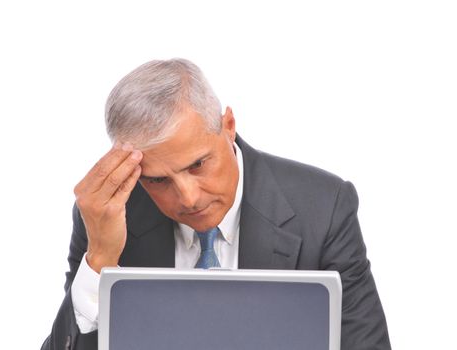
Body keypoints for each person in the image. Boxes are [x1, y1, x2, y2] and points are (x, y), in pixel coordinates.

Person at [41, 58, 391, 350]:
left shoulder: (324, 207)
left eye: (198, 165)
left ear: (228, 126)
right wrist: (100, 259)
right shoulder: (109, 216)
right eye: (158, 180)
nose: (189, 198)